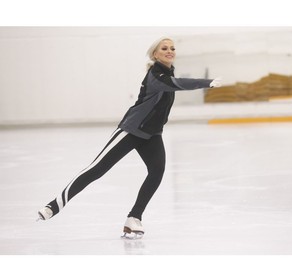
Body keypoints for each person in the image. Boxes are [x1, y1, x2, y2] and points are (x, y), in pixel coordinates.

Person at [37, 37, 222, 239]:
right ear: (155, 54)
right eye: (164, 48)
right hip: (131, 130)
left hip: (152, 134)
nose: (170, 51)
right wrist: (206, 83)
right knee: (97, 169)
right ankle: (53, 206)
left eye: (172, 48)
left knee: (156, 172)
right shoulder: (156, 75)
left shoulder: (167, 72)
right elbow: (176, 84)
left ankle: (134, 218)